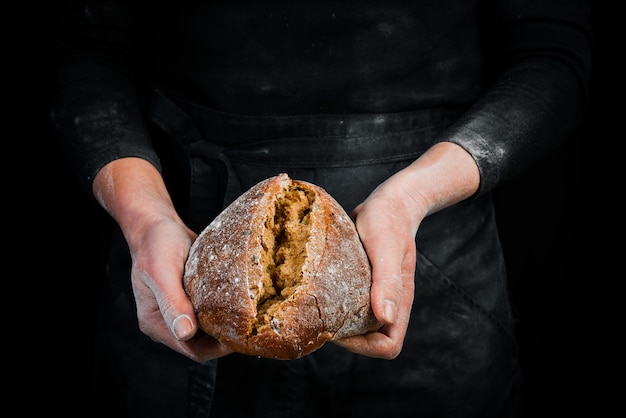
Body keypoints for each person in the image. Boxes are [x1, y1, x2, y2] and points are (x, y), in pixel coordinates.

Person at [47, 1, 593, 417]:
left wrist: (412, 196)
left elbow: (550, 53)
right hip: (182, 257)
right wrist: (146, 220)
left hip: (429, 266)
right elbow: (87, 41)